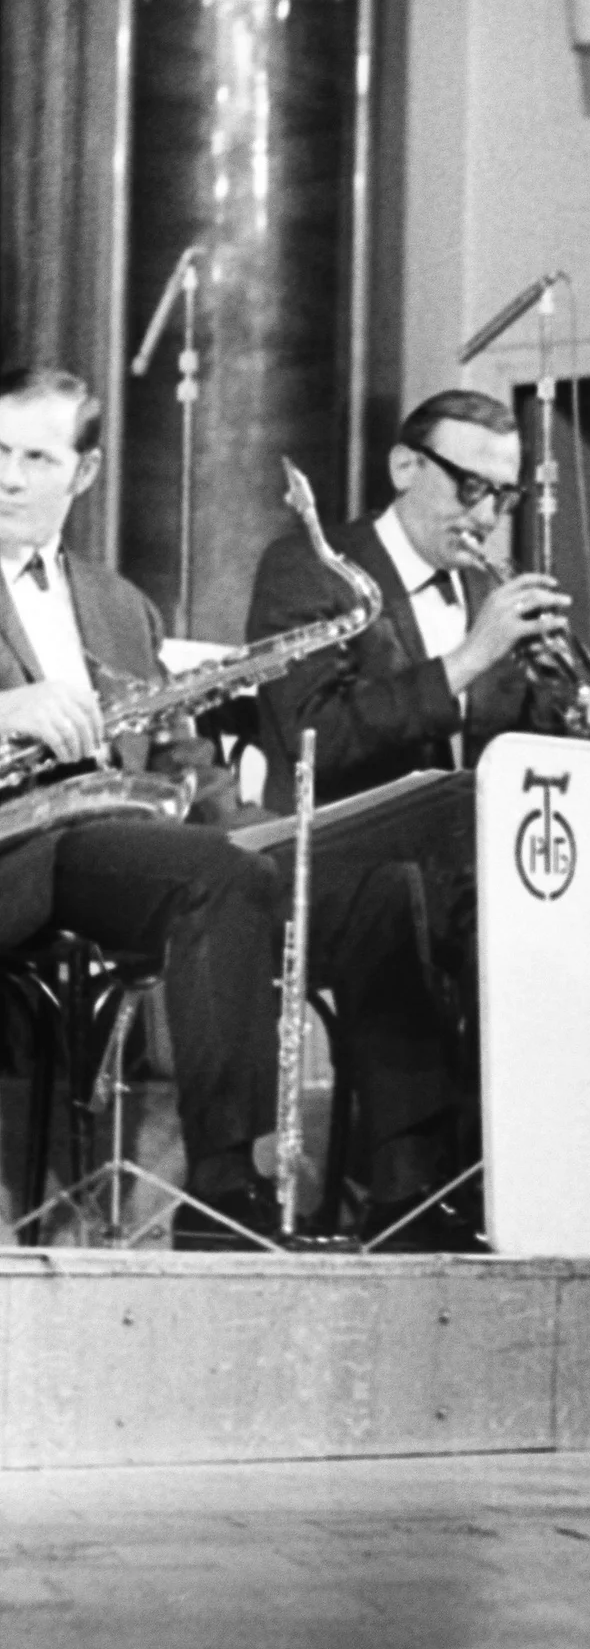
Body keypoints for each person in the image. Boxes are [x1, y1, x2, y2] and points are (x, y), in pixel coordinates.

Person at [246, 388, 569, 1245]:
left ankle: (565, 1181)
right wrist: (468, 659)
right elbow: (316, 735)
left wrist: (567, 710)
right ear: (404, 466)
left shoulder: (487, 590)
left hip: (465, 865)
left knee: (582, 907)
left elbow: (516, 752)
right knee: (403, 894)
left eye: (503, 495)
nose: (487, 515)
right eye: (470, 486)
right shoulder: (311, 566)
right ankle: (413, 1192)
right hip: (337, 864)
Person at [0, 366, 282, 1247]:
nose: (8, 477)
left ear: (85, 472)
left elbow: (175, 754)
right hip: (19, 850)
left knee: (314, 874)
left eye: (37, 458)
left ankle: (395, 1183)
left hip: (113, 840)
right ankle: (225, 1193)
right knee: (214, 878)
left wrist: (252, 827)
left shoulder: (122, 604)